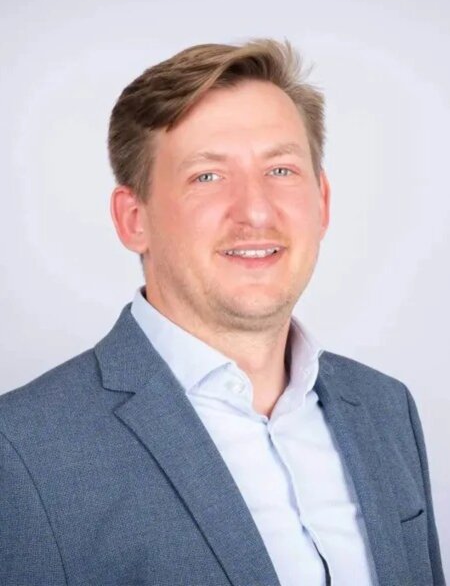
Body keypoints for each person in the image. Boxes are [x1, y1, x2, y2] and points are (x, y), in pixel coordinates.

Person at [0, 40, 444, 586]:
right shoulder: (21, 450)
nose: (255, 211)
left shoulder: (385, 409)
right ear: (133, 218)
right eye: (207, 176)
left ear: (322, 202)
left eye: (281, 170)